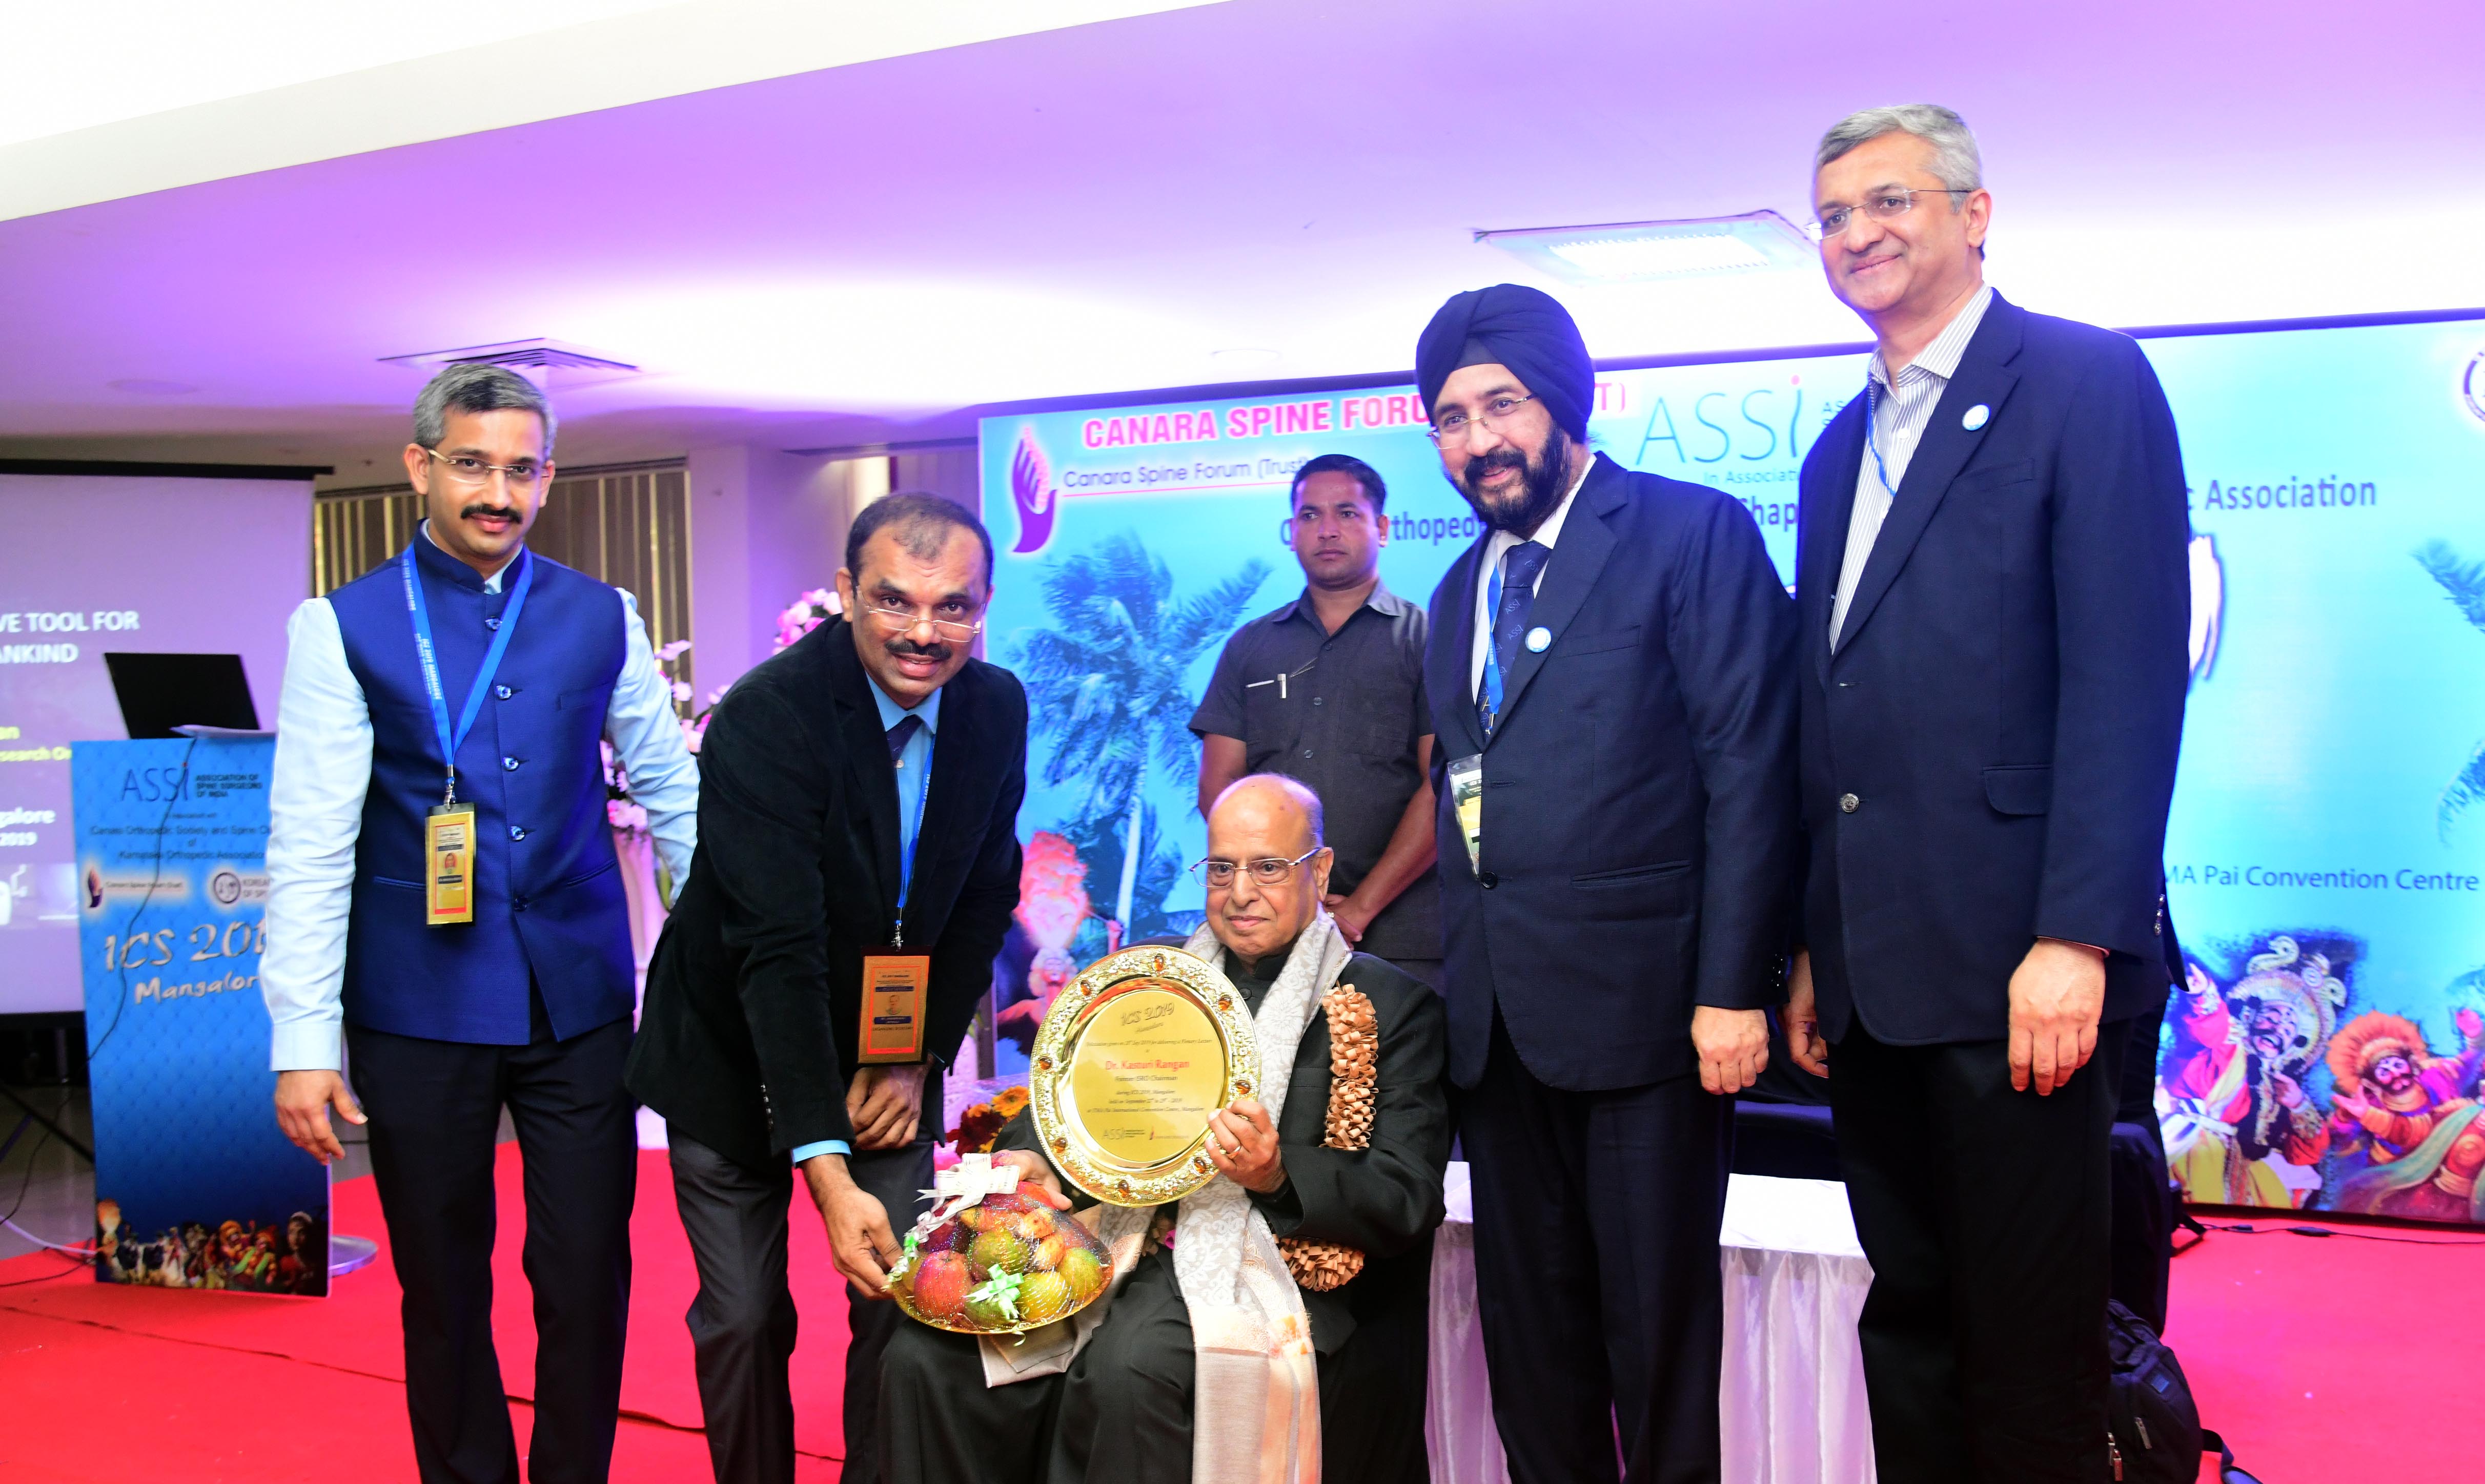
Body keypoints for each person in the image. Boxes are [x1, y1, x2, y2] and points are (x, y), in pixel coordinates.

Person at [1780, 105, 2190, 1480]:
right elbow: (1831, 710)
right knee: (1910, 1329)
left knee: (2029, 1351)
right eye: (1834, 214)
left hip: (2023, 971)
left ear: (1973, 214)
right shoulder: (1834, 453)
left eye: (1888, 201)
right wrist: (1812, 946)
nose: (1857, 233)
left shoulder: (2083, 381)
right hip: (1873, 980)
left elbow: (2128, 679)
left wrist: (2076, 934)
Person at [262, 363, 698, 1484]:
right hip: (417, 1002)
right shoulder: (340, 625)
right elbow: (310, 843)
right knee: (444, 1283)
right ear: (421, 466)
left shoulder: (601, 613)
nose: (498, 492)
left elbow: (673, 790)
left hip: (578, 1002)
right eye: (471, 464)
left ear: (547, 475)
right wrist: (303, 1041)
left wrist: (713, 970)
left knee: (587, 1269)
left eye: (521, 468)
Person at [1415, 283, 1800, 1483]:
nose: (1478, 438)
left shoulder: (1690, 532)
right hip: (1497, 1030)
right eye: (1450, 417)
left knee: (1657, 1342)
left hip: (1650, 1019)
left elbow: (1751, 769)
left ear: (1561, 401)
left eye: (1502, 403)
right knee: (1532, 1350)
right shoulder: (1455, 591)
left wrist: (1733, 986)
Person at [878, 772, 1451, 1484]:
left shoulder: (1391, 1006)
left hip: (1263, 1267)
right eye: (1222, 869)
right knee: (925, 1358)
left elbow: (1406, 1196)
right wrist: (1034, 1162)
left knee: (1131, 1368)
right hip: (1110, 1242)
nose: (1241, 893)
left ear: (1321, 870)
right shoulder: (1150, 978)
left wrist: (1277, 1174)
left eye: (1269, 867)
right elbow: (1063, 1106)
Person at [626, 494, 1028, 1484]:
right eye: (895, 600)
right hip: (730, 1046)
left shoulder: (994, 707)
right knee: (745, 1316)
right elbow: (777, 948)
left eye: (952, 606)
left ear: (983, 606)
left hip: (885, 1056)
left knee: (897, 1297)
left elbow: (984, 895)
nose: (923, 632)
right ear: (847, 592)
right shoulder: (769, 715)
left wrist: (915, 1058)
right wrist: (827, 1166)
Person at [1192, 454, 1441, 984]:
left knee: (1405, 1044)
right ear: (1291, 532)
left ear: (1383, 528)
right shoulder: (1250, 646)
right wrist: (1280, 892)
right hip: (1271, 933)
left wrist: (1358, 909)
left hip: (1403, 937)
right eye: (1310, 515)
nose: (1327, 530)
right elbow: (1219, 786)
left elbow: (1443, 787)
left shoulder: (1428, 641)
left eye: (1347, 513)